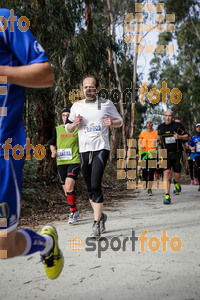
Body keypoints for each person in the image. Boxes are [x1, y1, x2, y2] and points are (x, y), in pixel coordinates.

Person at [0, 8, 63, 279]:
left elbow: (46, 74)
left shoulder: (5, 20)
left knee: (4, 248)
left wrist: (3, 71)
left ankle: (47, 244)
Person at [65, 75, 123, 239]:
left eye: (91, 86)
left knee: (96, 183)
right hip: (84, 149)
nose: (88, 89)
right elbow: (67, 127)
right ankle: (101, 215)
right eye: (85, 87)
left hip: (100, 147)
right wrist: (74, 124)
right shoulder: (77, 106)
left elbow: (120, 121)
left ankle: (96, 222)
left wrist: (112, 122)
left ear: (97, 88)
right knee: (89, 187)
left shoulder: (106, 103)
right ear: (82, 89)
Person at [50, 107, 80, 223]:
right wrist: (53, 151)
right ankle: (74, 209)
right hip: (61, 162)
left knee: (69, 186)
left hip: (74, 161)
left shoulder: (77, 129)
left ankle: (72, 211)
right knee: (66, 190)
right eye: (64, 115)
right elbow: (52, 144)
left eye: (68, 114)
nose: (66, 117)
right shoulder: (57, 129)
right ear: (61, 117)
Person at [157, 110, 189, 204]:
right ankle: (167, 195)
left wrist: (179, 136)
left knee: (177, 175)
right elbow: (159, 137)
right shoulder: (160, 127)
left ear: (173, 116)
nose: (167, 117)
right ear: (164, 116)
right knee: (166, 174)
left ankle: (176, 182)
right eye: (166, 115)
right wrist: (157, 141)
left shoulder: (178, 126)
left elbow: (187, 136)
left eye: (170, 116)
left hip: (177, 153)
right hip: (164, 153)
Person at [138, 119, 158, 196]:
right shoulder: (143, 133)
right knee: (144, 170)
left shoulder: (156, 133)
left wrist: (157, 142)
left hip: (152, 152)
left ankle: (149, 188)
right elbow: (139, 142)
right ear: (146, 125)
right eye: (147, 123)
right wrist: (141, 145)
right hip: (144, 153)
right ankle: (145, 181)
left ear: (152, 124)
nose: (149, 124)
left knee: (152, 170)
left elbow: (159, 141)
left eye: (150, 122)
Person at [188, 123, 200, 191]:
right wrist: (191, 148)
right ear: (196, 128)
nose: (199, 128)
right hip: (197, 155)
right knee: (198, 169)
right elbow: (189, 145)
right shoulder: (194, 138)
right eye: (198, 127)